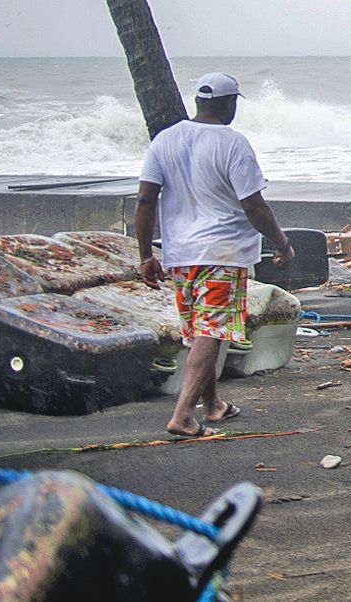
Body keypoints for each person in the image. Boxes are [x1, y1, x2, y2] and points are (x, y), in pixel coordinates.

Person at [136, 73, 293, 439]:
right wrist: (282, 243)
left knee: (200, 331)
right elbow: (254, 206)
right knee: (211, 331)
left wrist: (146, 255)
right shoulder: (234, 144)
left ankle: (214, 405)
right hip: (222, 253)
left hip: (180, 255)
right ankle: (183, 416)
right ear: (229, 103)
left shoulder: (166, 140)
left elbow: (145, 200)